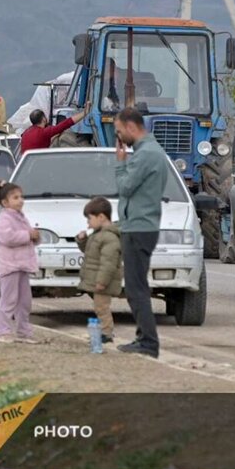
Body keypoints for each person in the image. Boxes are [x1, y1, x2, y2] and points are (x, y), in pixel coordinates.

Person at [114, 107, 167, 358]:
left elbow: (125, 187)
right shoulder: (152, 151)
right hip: (142, 225)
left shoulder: (145, 155)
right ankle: (142, 337)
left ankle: (148, 342)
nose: (119, 137)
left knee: (136, 288)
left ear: (131, 127)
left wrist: (120, 165)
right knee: (137, 285)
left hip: (138, 226)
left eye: (119, 131)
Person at [0, 179, 40, 344]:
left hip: (22, 264)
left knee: (24, 300)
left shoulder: (21, 217)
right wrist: (28, 235)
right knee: (9, 299)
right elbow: (7, 237)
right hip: (10, 266)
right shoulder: (4, 218)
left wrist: (34, 237)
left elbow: (26, 235)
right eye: (16, 197)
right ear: (5, 202)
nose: (21, 200)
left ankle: (23, 330)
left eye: (21, 196)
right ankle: (2, 330)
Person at [76, 196, 122, 344]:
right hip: (96, 279)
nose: (88, 223)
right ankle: (104, 331)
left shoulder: (109, 237)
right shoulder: (98, 235)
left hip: (103, 281)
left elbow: (108, 263)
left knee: (102, 307)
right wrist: (82, 240)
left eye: (89, 219)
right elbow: (89, 252)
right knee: (99, 307)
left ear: (101, 217)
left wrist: (102, 281)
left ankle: (107, 332)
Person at [19, 107, 88, 155]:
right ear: (44, 119)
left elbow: (40, 141)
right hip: (39, 163)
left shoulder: (26, 133)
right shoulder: (43, 132)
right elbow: (66, 123)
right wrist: (84, 113)